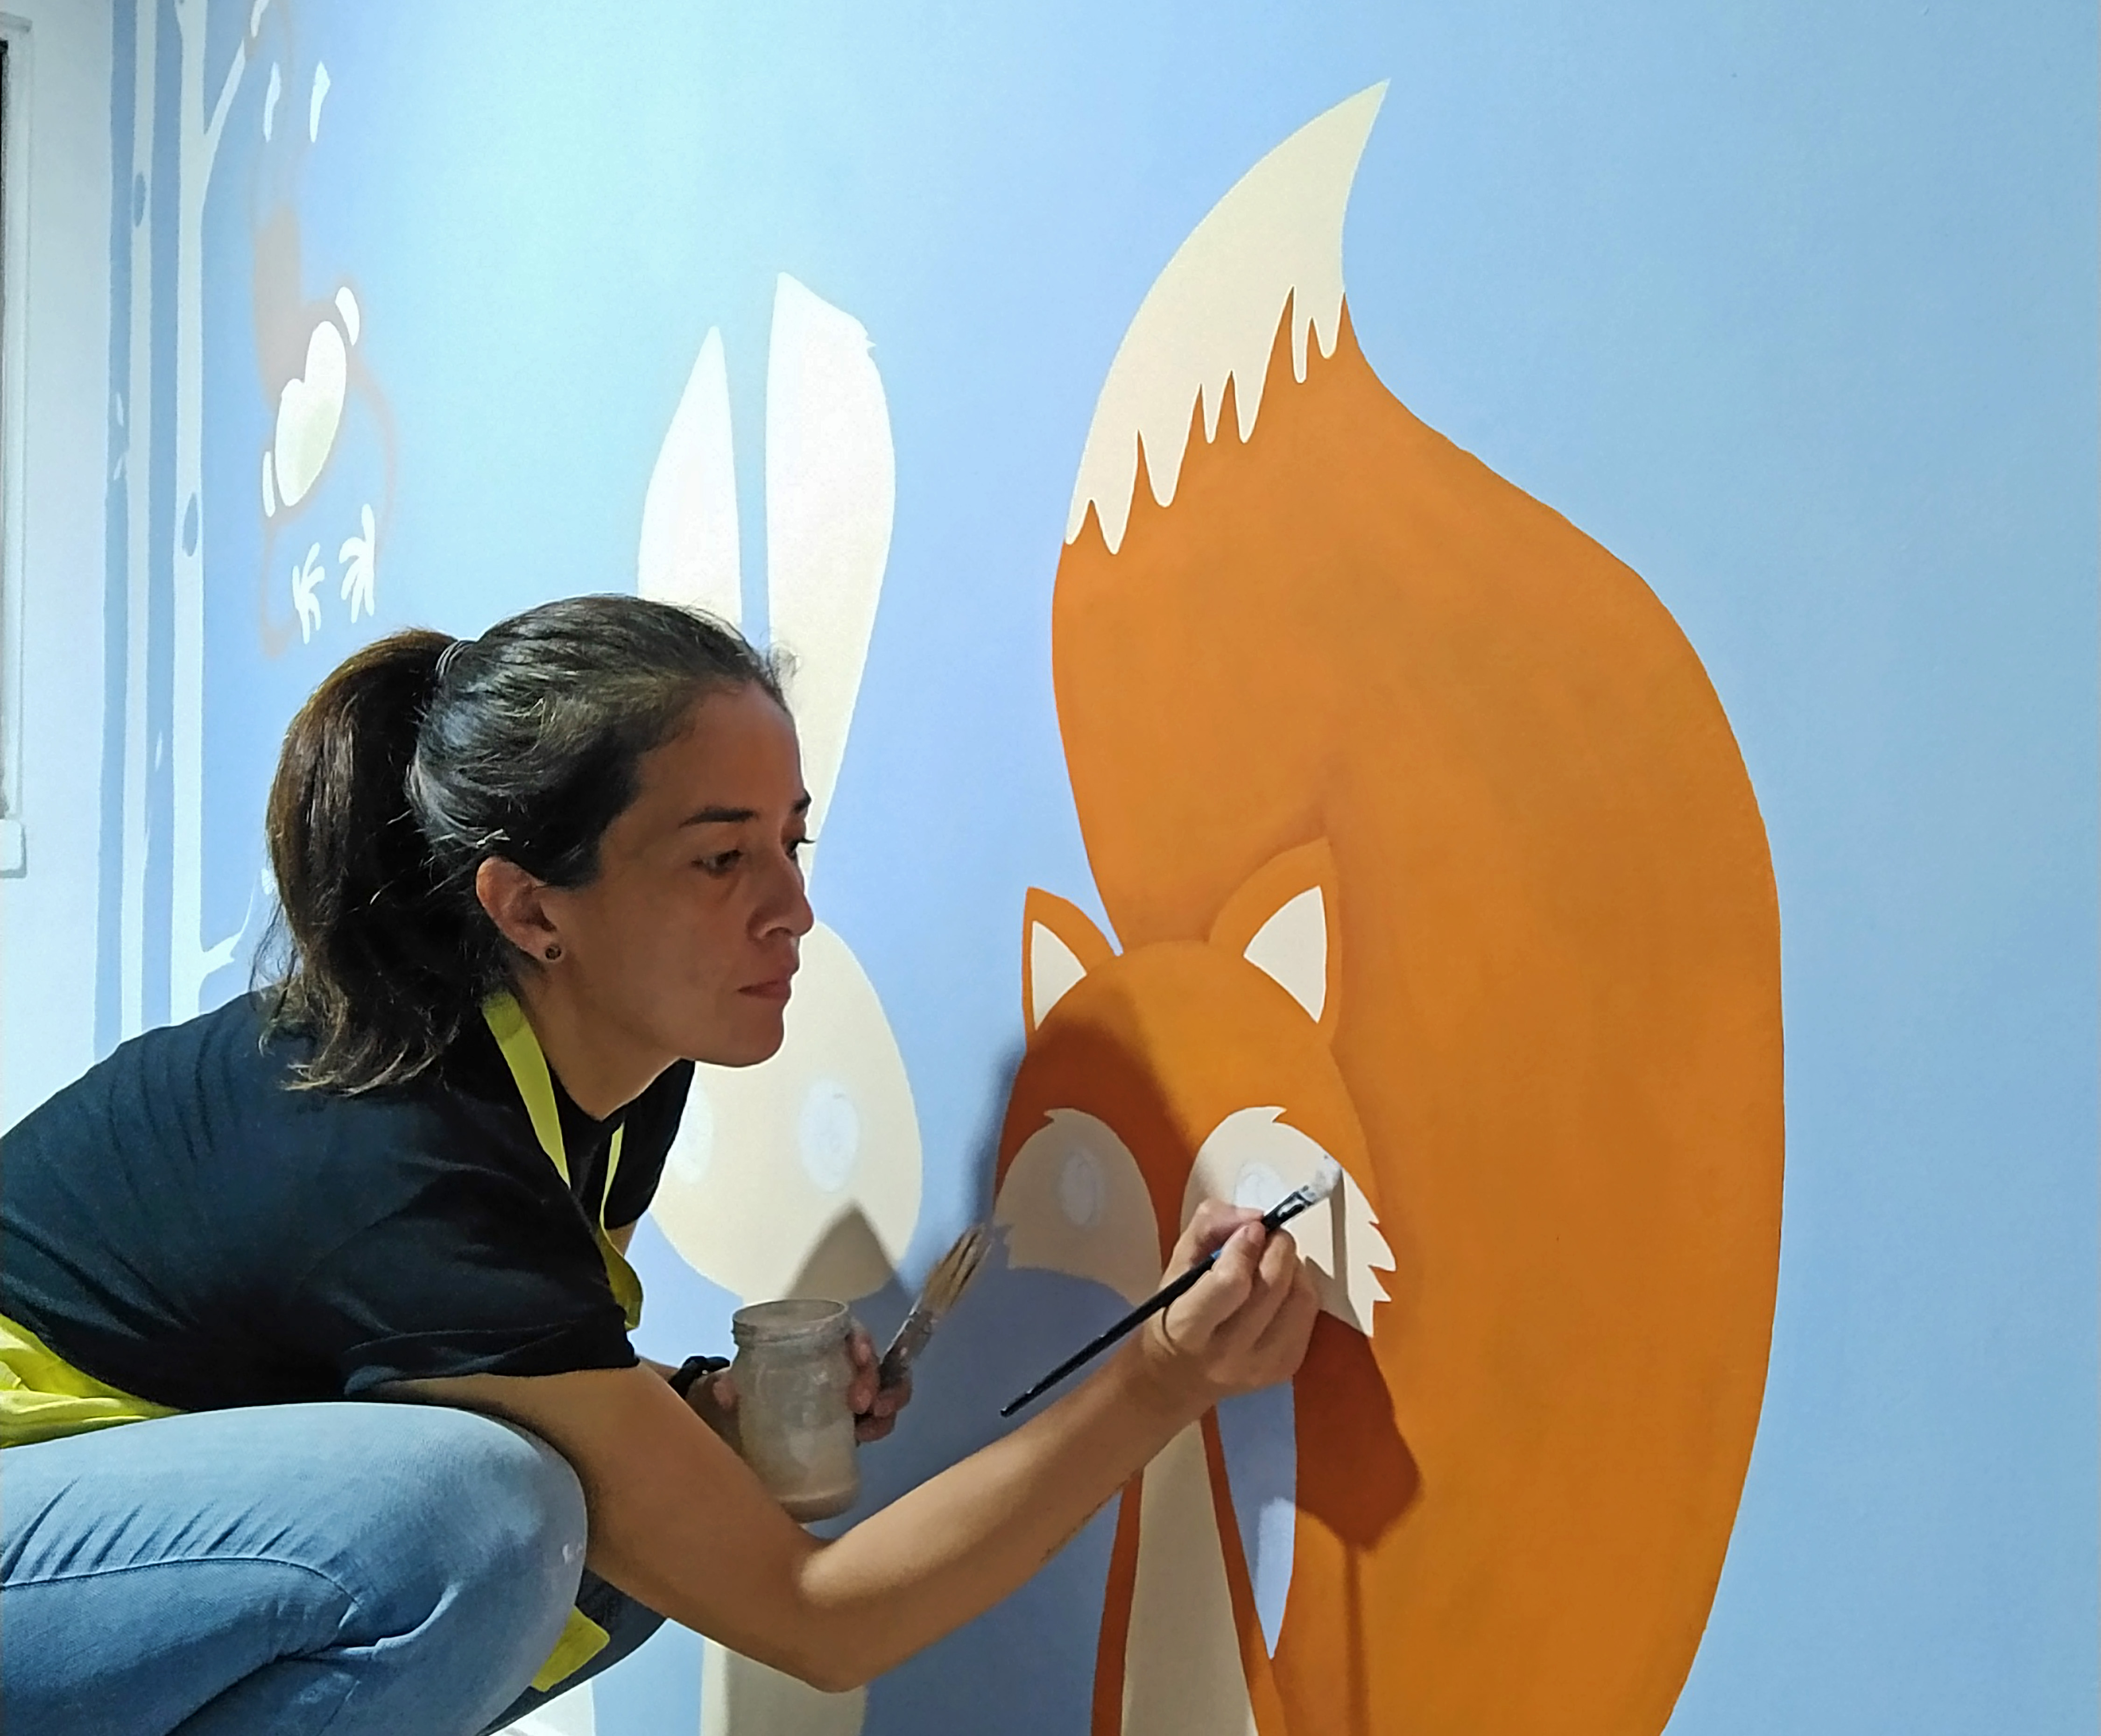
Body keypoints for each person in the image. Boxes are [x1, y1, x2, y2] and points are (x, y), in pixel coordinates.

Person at [0, 595, 1318, 1736]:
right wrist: (1165, 1376)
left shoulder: (612, 1064)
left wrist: (703, 1417)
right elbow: (820, 1621)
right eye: (720, 857)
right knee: (486, 1520)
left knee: (645, 1510)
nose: (792, 909)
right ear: (531, 908)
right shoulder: (404, 1154)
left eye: (792, 842)